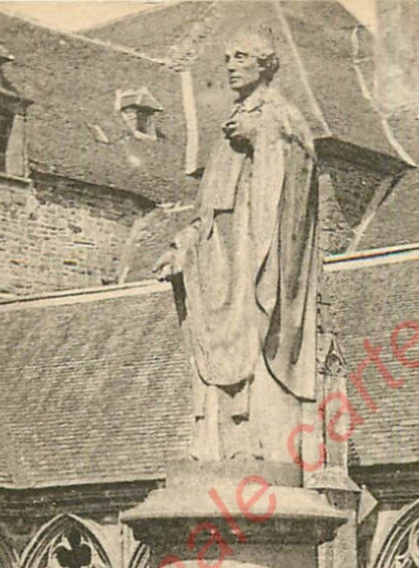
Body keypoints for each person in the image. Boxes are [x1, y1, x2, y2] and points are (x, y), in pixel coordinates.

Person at [154, 28, 319, 466]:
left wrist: (265, 139)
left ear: (264, 65)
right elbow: (206, 207)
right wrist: (182, 247)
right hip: (216, 255)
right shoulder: (227, 129)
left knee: (252, 336)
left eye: (241, 56)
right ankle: (214, 443)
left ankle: (253, 440)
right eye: (227, 57)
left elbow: (302, 176)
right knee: (215, 341)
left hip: (256, 247)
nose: (230, 65)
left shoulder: (282, 117)